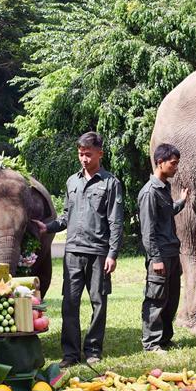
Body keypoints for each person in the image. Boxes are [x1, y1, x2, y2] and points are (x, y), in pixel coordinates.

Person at [34, 132, 123, 367]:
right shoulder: (71, 182)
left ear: (100, 154)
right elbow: (66, 216)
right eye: (81, 154)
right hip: (72, 252)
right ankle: (71, 354)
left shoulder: (111, 183)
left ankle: (93, 350)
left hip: (98, 252)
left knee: (98, 302)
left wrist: (112, 253)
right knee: (70, 303)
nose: (83, 159)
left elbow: (116, 221)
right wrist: (48, 226)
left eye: (88, 154)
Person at [137, 144, 188, 352]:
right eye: (173, 163)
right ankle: (151, 342)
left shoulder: (164, 187)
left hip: (172, 253)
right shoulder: (149, 192)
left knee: (171, 298)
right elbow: (147, 231)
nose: (176, 167)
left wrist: (181, 202)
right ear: (160, 163)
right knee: (156, 298)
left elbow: (166, 214)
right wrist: (155, 258)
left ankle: (165, 338)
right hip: (160, 254)